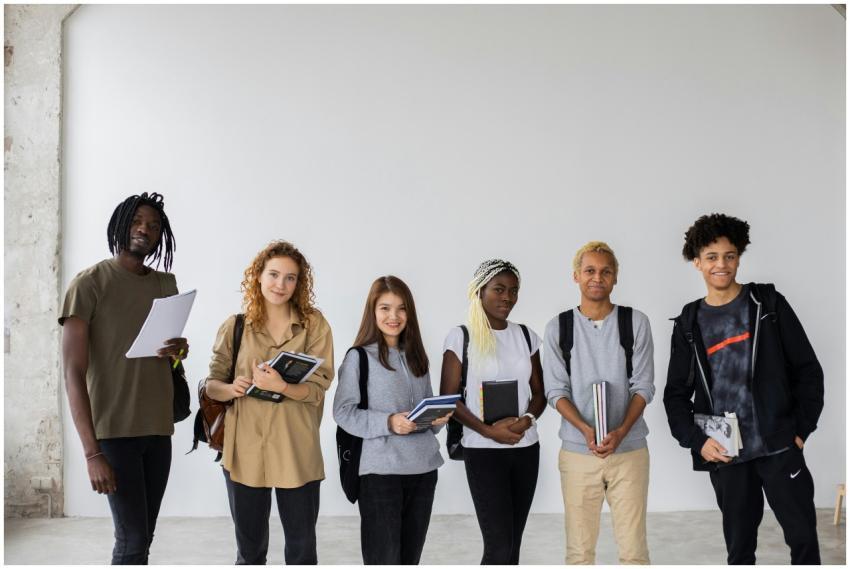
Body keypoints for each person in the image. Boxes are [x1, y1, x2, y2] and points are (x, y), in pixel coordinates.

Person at [663, 213, 823, 565]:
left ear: (739, 257)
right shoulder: (689, 322)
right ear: (696, 262)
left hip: (778, 447)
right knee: (739, 552)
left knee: (804, 542)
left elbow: (808, 370)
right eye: (712, 257)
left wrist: (799, 431)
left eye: (730, 256)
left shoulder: (767, 304)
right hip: (728, 454)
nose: (722, 265)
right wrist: (697, 441)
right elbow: (675, 395)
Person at [60, 192, 189, 564]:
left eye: (153, 225)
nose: (144, 230)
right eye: (136, 221)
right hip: (113, 433)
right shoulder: (89, 284)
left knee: (142, 536)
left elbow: (169, 360)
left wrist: (178, 351)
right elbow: (72, 372)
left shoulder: (166, 284)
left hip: (157, 427)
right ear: (120, 224)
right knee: (132, 541)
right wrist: (91, 453)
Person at [204, 240, 334, 565]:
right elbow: (211, 386)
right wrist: (233, 387)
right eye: (274, 274)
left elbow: (319, 388)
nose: (281, 284)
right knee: (249, 554)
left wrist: (282, 387)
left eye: (290, 278)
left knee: (302, 552)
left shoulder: (314, 325)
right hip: (244, 452)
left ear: (299, 283)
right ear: (258, 276)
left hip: (296, 449)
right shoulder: (234, 326)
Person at [541, 241, 655, 565]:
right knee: (579, 551)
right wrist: (584, 429)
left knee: (634, 551)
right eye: (589, 270)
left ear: (615, 278)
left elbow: (644, 386)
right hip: (578, 452)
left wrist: (620, 431)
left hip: (629, 450)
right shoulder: (558, 328)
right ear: (576, 276)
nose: (597, 278)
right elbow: (555, 390)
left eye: (606, 271)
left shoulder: (635, 323)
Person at [333, 276, 452, 565]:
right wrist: (389, 422)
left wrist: (439, 418)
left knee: (410, 560)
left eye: (401, 308)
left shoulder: (417, 357)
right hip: (379, 475)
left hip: (423, 471)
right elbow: (343, 412)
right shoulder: (358, 358)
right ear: (372, 312)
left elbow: (425, 418)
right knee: (384, 560)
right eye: (385, 308)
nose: (393, 316)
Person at [439, 259, 546, 565]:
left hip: (525, 448)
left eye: (513, 290)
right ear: (480, 291)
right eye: (499, 289)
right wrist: (488, 431)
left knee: (512, 546)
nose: (507, 297)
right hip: (483, 452)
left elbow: (539, 393)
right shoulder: (462, 337)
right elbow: (448, 398)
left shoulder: (526, 336)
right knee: (498, 546)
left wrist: (526, 421)